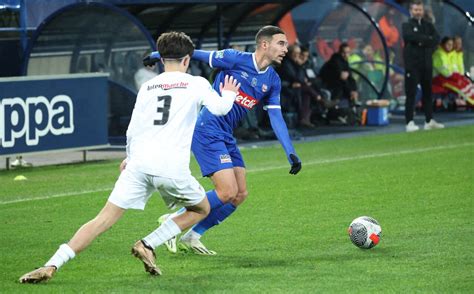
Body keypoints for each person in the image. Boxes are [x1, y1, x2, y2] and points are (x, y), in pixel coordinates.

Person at [18, 31, 240, 283]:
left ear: (161, 58)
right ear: (187, 60)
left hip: (139, 163)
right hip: (170, 168)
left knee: (102, 219)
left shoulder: (148, 86)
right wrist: (230, 92)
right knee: (202, 208)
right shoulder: (196, 83)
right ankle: (148, 243)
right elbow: (221, 108)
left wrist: (129, 157)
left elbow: (133, 127)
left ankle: (52, 264)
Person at [150, 25, 302, 255]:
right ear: (264, 44)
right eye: (281, 44)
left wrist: (290, 151)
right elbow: (194, 53)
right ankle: (174, 220)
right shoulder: (234, 58)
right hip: (207, 130)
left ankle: (192, 236)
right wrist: (157, 56)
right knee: (226, 191)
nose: (285, 49)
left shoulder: (272, 80)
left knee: (239, 194)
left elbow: (275, 116)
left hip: (226, 135)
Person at [402, 0, 444, 132]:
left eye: (420, 9)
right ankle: (409, 122)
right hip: (412, 65)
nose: (418, 12)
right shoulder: (406, 25)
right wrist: (427, 40)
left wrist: (421, 41)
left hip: (426, 64)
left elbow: (436, 39)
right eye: (415, 10)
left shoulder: (428, 25)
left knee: (428, 93)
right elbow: (409, 36)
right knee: (411, 94)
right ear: (411, 11)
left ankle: (429, 120)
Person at [319, 43, 360, 124]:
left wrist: (354, 90)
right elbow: (341, 78)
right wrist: (350, 91)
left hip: (337, 83)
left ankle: (350, 113)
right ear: (340, 52)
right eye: (344, 52)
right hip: (328, 84)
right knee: (342, 89)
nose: (345, 55)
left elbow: (350, 78)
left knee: (350, 88)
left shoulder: (345, 63)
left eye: (348, 52)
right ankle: (337, 112)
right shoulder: (336, 60)